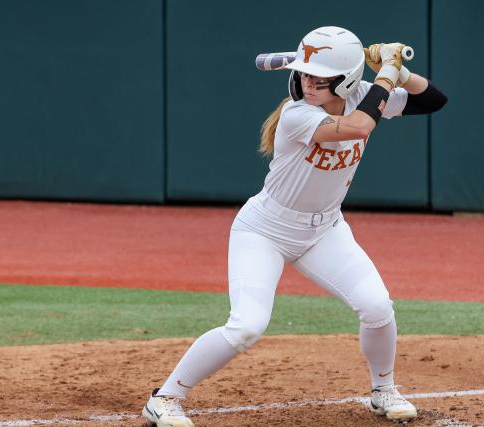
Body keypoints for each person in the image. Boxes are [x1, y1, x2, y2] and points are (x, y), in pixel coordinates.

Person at [142, 26, 447, 427]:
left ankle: (383, 391)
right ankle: (165, 399)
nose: (309, 81)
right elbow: (359, 126)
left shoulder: (360, 95)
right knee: (247, 326)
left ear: (348, 80)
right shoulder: (297, 114)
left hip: (325, 231)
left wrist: (397, 70)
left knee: (377, 307)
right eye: (305, 72)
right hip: (264, 230)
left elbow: (433, 101)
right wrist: (386, 74)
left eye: (320, 76)